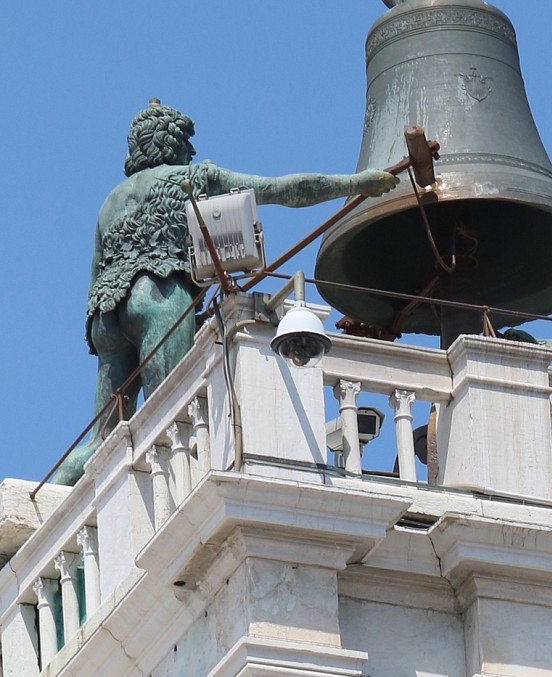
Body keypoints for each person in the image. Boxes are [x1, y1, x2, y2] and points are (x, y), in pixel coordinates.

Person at [53, 99, 396, 486]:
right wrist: (356, 185)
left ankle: (44, 509)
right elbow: (283, 189)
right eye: (186, 141)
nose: (193, 151)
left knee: (100, 440)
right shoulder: (193, 176)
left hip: (106, 318)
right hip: (159, 300)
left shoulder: (108, 204)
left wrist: (104, 334)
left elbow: (93, 279)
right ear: (171, 144)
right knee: (173, 420)